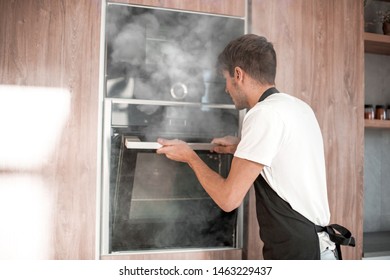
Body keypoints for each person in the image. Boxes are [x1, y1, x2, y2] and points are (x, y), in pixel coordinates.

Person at [156, 34, 354, 260]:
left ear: (238, 74)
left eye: (226, 79)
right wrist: (241, 146)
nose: (226, 89)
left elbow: (228, 199)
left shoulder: (262, 114)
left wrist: (189, 157)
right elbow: (284, 158)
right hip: (319, 249)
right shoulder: (296, 107)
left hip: (301, 253)